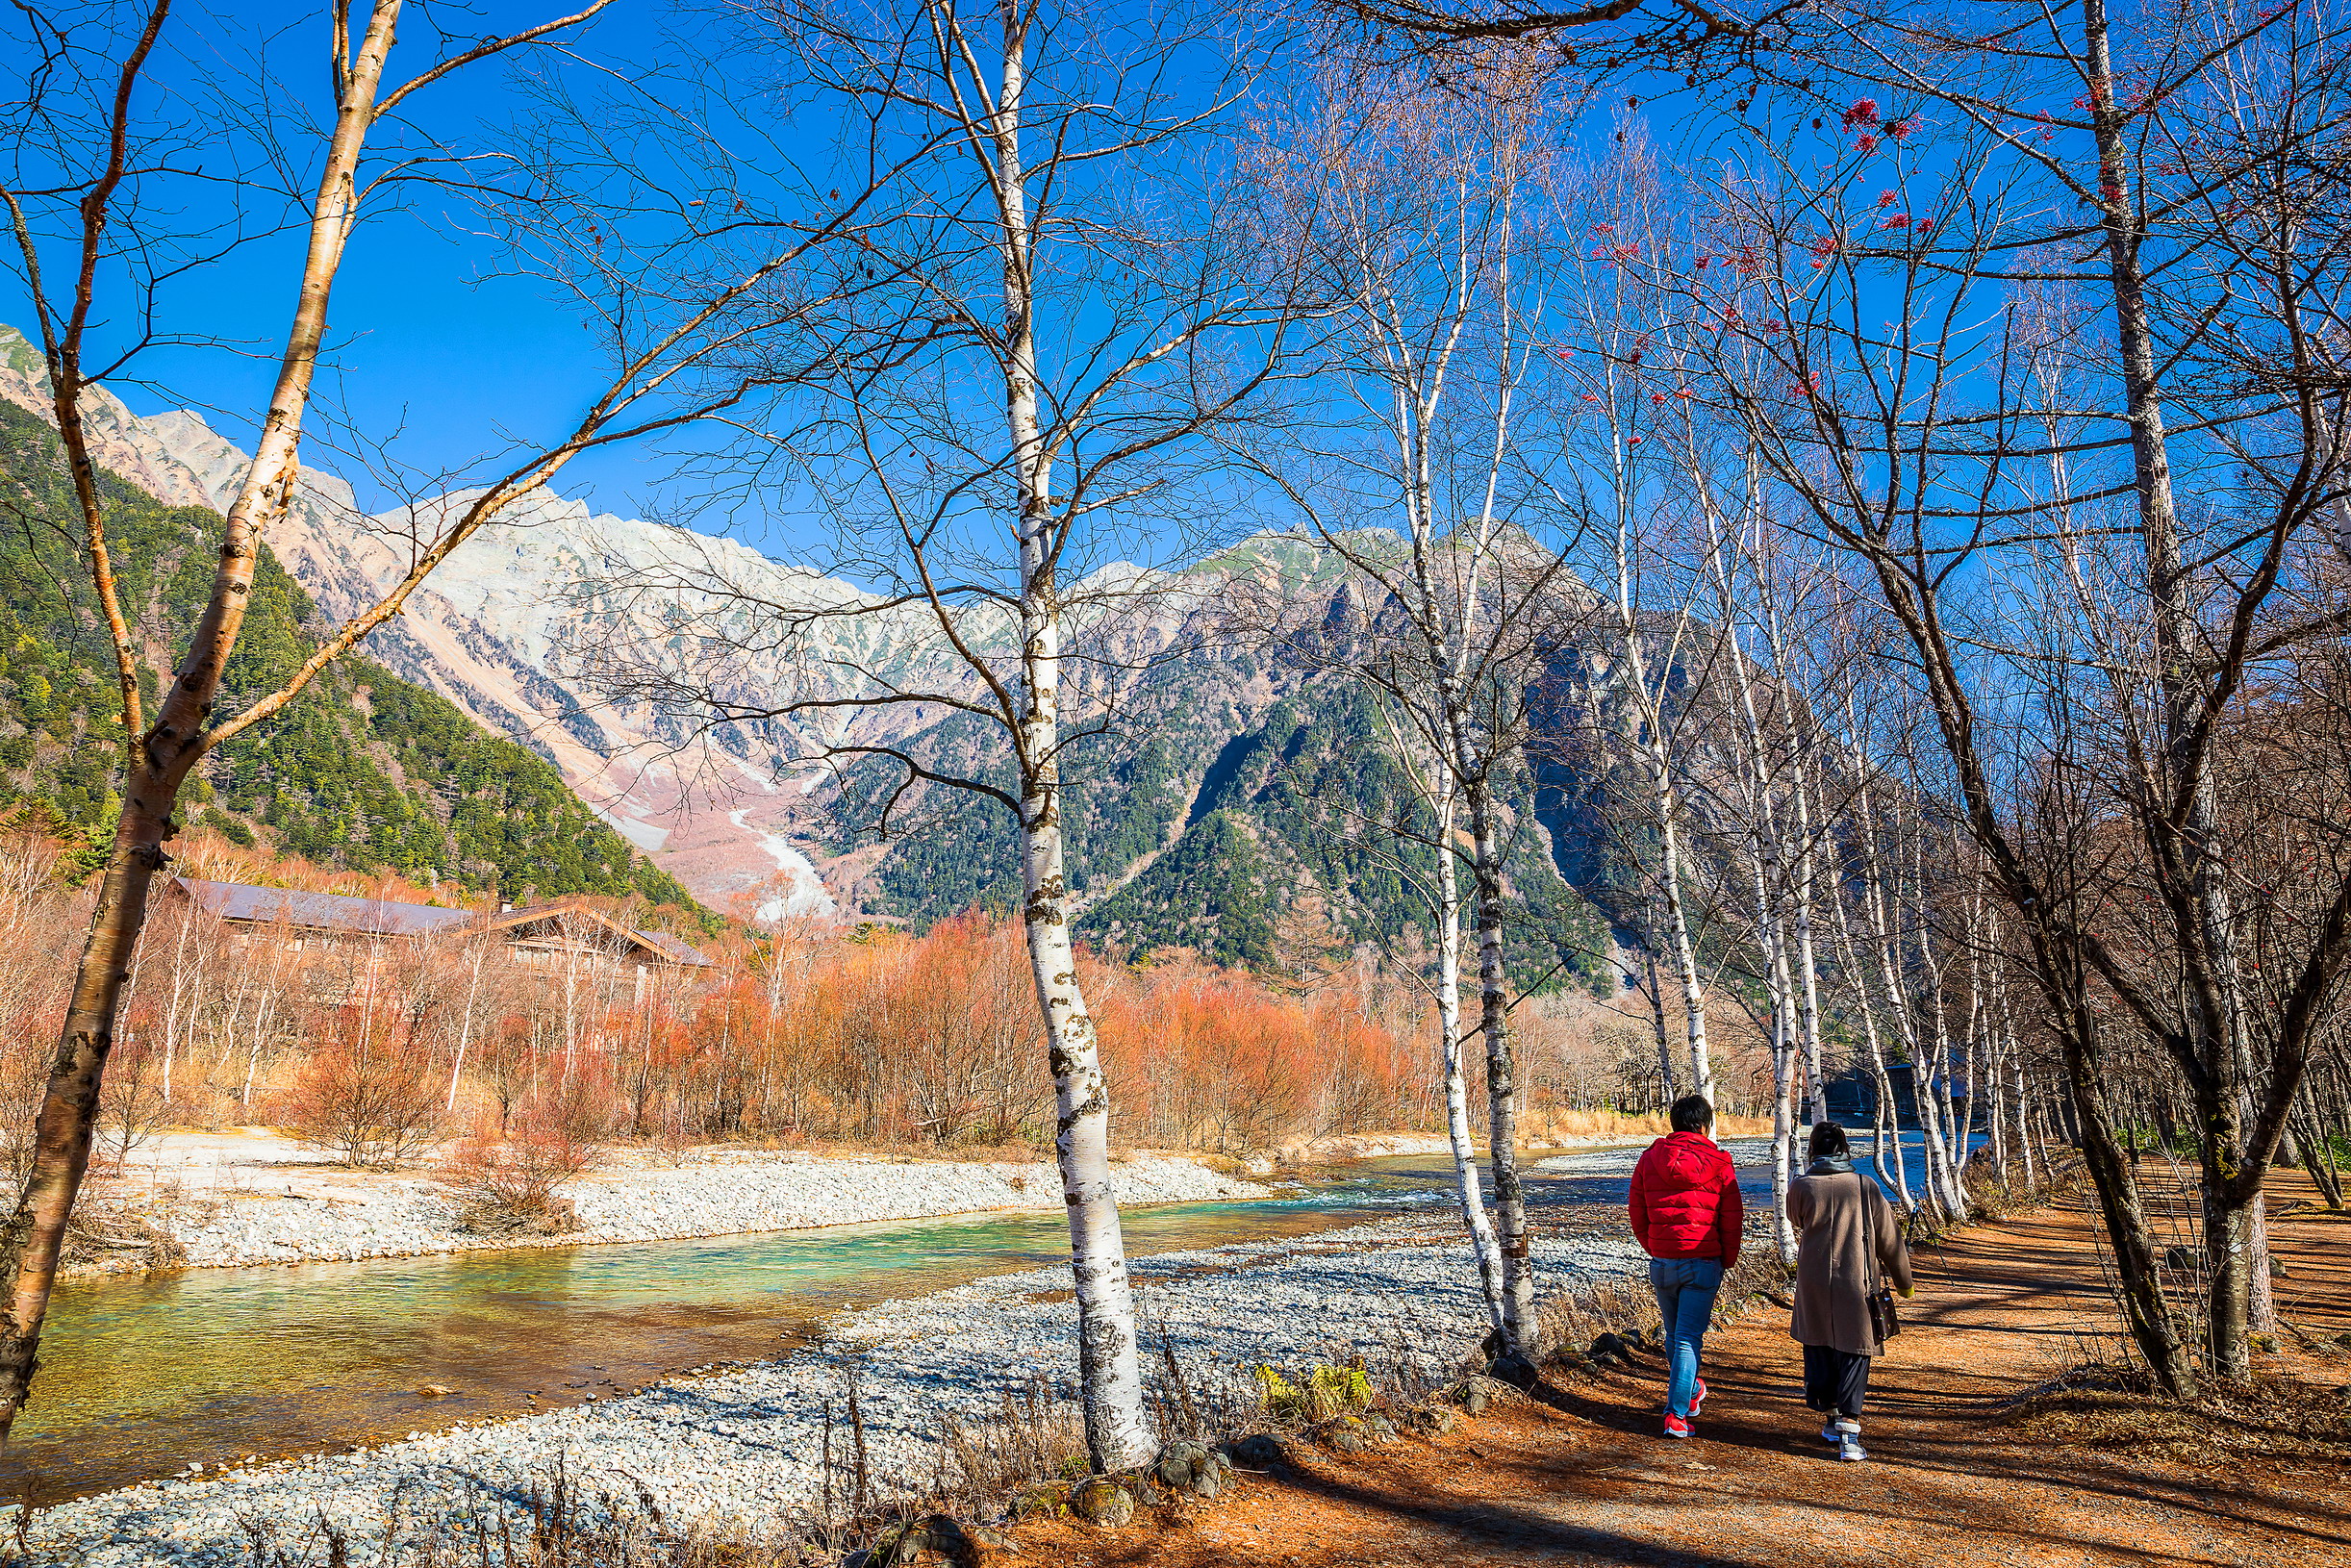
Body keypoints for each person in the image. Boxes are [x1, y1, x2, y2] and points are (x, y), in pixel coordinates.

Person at [1787, 1121, 1914, 1462]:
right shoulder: (1864, 1186)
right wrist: (1904, 1282)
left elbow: (1795, 1220)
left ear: (1813, 1150)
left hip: (1813, 1280)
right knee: (1856, 1351)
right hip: (1855, 1279)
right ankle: (1849, 1428)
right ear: (1844, 1148)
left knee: (1819, 1346)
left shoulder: (1800, 1186)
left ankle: (1830, 1418)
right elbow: (1889, 1239)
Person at [1628, 1093, 1742, 1439]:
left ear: (1674, 1124)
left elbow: (1637, 1209)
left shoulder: (1649, 1160)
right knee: (1687, 1339)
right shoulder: (1720, 1162)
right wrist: (1728, 1257)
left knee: (1676, 1334)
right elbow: (1732, 1218)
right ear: (1705, 1126)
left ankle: (1690, 1393)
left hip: (1664, 1260)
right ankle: (1676, 1414)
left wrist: (1654, 1245)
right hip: (1703, 1261)